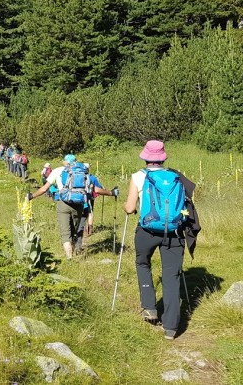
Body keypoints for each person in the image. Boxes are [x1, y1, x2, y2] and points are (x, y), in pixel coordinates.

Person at [124, 140, 187, 340]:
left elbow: (130, 208)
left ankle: (150, 308)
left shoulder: (138, 177)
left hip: (147, 231)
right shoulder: (176, 176)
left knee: (143, 263)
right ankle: (171, 328)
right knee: (171, 276)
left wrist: (128, 207)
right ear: (163, 157)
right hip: (174, 233)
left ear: (145, 157)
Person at [27, 154, 118, 260]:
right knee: (75, 230)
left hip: (63, 204)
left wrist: (32, 196)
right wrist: (111, 192)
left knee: (65, 232)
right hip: (79, 205)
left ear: (65, 161)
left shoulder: (58, 171)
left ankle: (70, 258)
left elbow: (44, 189)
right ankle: (75, 247)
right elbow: (96, 190)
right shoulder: (82, 171)